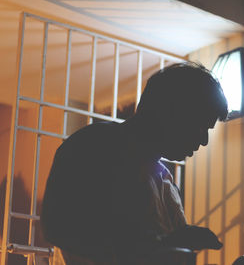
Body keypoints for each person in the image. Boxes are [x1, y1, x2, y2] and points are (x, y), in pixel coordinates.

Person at [41, 62, 228, 265]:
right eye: (200, 126)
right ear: (172, 112)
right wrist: (159, 245)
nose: (204, 141)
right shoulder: (92, 147)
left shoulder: (163, 179)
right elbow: (58, 227)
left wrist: (173, 243)